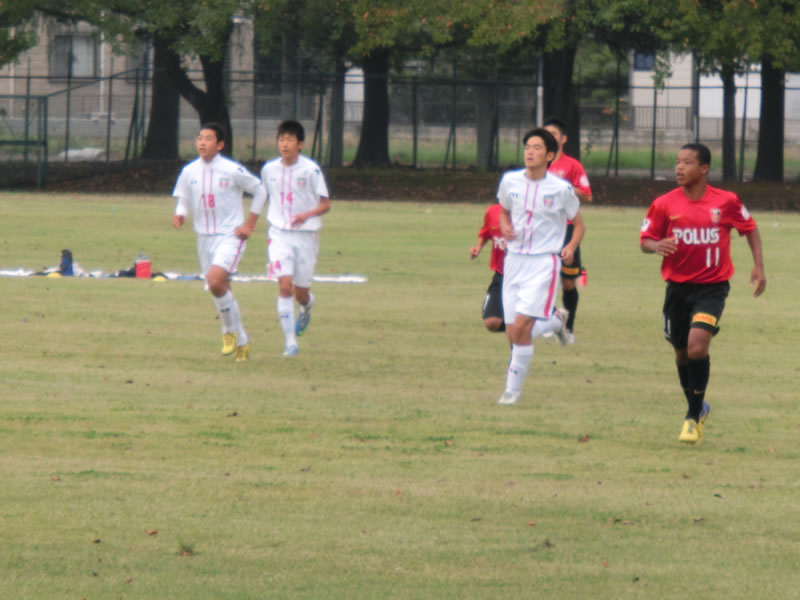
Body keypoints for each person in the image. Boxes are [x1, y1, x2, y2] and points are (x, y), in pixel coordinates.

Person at [640, 143, 766, 444]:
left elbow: (749, 228)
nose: (679, 168)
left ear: (704, 168)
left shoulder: (726, 202)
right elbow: (645, 240)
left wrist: (758, 266)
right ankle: (698, 406)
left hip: (712, 288)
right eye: (677, 162)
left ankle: (692, 417)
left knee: (697, 347)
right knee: (682, 354)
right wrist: (656, 245)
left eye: (687, 162)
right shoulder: (663, 204)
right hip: (677, 289)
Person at [497, 128, 586, 405]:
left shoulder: (560, 189)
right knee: (513, 332)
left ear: (549, 156)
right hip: (514, 261)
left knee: (522, 326)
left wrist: (570, 246)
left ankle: (511, 391)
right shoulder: (510, 181)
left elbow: (579, 224)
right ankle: (556, 320)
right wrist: (504, 226)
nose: (530, 152)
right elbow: (503, 211)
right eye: (527, 147)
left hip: (543, 263)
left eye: (536, 148)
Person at [172, 122, 267, 362]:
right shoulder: (189, 171)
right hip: (203, 238)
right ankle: (243, 341)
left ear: (220, 144)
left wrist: (250, 224)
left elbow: (260, 191)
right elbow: (183, 198)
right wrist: (180, 213)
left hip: (230, 236)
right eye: (199, 138)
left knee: (215, 282)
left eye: (208, 138)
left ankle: (229, 331)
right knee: (222, 289)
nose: (202, 142)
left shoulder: (232, 170)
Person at [246, 120, 330, 357]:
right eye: (281, 139)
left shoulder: (311, 170)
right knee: (284, 285)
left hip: (306, 236)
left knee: (300, 293)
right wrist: (250, 223)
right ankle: (290, 343)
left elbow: (326, 204)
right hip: (279, 234)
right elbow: (262, 196)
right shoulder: (269, 169)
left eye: (290, 140)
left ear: (300, 144)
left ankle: (307, 306)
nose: (285, 144)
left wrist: (306, 215)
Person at [543, 117, 592, 344]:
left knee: (568, 283)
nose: (549, 137)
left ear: (563, 139)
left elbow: (587, 196)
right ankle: (551, 320)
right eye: (546, 133)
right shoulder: (537, 164)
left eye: (553, 133)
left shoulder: (573, 166)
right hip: (543, 231)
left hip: (568, 231)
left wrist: (566, 187)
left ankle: (568, 328)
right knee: (543, 279)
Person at [470, 203, 507, 333]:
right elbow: (486, 232)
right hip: (501, 275)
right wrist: (478, 247)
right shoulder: (492, 211)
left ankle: (554, 320)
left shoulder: (528, 211)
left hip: (525, 276)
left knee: (522, 321)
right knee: (492, 322)